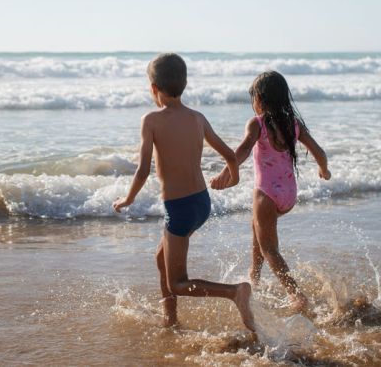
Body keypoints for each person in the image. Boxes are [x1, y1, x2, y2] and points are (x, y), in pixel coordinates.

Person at [114, 53, 255, 331]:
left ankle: (234, 292)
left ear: (153, 88)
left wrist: (128, 198)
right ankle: (170, 319)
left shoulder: (151, 120)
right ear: (185, 83)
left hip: (178, 209)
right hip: (201, 204)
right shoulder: (197, 118)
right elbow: (229, 154)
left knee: (177, 282)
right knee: (161, 259)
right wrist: (234, 178)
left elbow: (143, 170)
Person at [212, 70, 330, 314]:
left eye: (253, 98)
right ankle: (253, 278)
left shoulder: (258, 124)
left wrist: (226, 173)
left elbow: (243, 150)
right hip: (288, 195)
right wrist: (324, 170)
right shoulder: (293, 125)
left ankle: (296, 295)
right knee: (257, 229)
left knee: (270, 249)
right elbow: (319, 152)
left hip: (266, 194)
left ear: (261, 100)